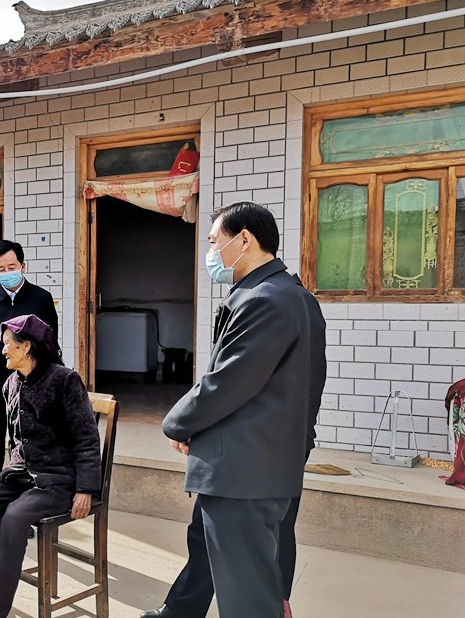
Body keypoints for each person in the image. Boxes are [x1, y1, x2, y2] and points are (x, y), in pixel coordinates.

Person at [160, 202, 319, 618]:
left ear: (244, 239)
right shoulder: (293, 296)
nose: (211, 253)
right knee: (231, 569)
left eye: (214, 241)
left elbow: (227, 382)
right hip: (263, 463)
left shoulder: (264, 300)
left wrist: (178, 423)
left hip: (244, 470)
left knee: (247, 598)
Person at [0, 314, 100, 618]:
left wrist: (86, 489)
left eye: (7, 344)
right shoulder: (11, 383)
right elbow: (16, 440)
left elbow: (87, 437)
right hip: (21, 476)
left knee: (13, 518)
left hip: (59, 479)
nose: (3, 351)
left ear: (26, 346)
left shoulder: (64, 380)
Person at [0, 240, 58, 494]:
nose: (7, 272)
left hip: (28, 388)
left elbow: (49, 342)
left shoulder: (41, 299)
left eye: (12, 266)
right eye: (1, 268)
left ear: (23, 266)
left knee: (24, 451)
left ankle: (20, 508)